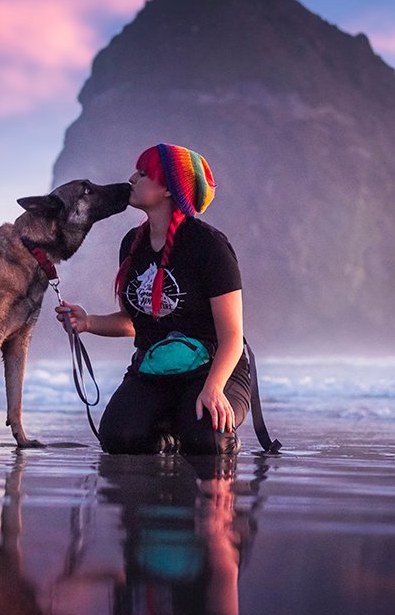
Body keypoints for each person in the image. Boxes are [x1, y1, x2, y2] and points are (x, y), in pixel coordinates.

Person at [56, 143, 250, 455]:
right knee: (119, 438)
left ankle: (192, 425)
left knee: (207, 442)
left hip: (213, 369)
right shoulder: (133, 244)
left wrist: (214, 388)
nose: (132, 178)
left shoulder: (209, 247)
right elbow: (135, 323)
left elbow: (232, 337)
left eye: (144, 173)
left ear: (170, 190)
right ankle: (170, 429)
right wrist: (88, 322)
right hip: (154, 369)